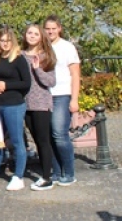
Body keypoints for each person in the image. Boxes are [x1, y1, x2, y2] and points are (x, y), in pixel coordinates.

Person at [0, 27, 31, 191]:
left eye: (8, 40)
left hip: (14, 105)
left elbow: (26, 83)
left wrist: (7, 86)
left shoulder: (19, 59)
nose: (5, 44)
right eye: (2, 41)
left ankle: (18, 176)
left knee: (16, 141)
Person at [44, 14, 80, 186]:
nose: (51, 31)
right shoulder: (42, 47)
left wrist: (75, 99)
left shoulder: (67, 47)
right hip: (45, 95)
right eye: (47, 29)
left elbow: (75, 74)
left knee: (59, 134)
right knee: (49, 136)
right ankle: (57, 172)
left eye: (53, 28)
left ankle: (69, 172)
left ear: (59, 29)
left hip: (62, 94)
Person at [21, 24, 57, 190]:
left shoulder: (45, 56)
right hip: (25, 103)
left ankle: (47, 177)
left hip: (41, 103)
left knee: (43, 141)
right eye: (30, 33)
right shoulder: (20, 55)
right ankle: (45, 172)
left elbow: (51, 81)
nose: (32, 36)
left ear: (41, 37)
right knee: (35, 139)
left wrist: (37, 70)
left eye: (36, 34)